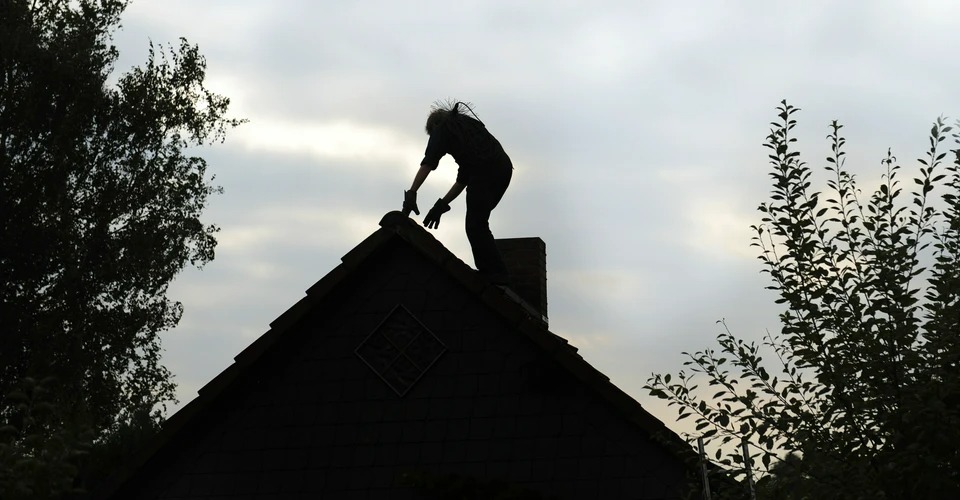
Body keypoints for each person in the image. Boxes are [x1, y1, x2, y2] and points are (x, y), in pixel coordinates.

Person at [402, 101, 513, 285]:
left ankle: (495, 273)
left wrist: (412, 192)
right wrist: (441, 205)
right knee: (478, 222)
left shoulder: (441, 127)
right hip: (503, 170)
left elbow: (428, 162)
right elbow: (463, 180)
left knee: (475, 224)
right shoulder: (467, 133)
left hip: (486, 172)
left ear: (433, 127)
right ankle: (496, 271)